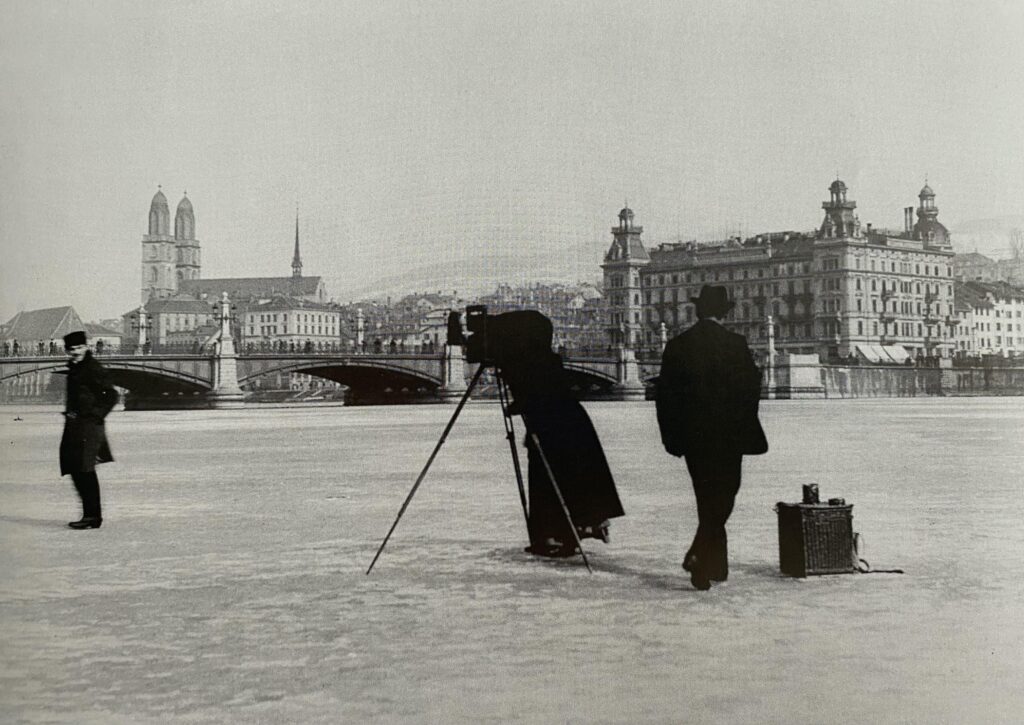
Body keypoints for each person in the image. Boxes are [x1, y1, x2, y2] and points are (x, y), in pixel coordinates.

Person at [481, 310, 624, 558]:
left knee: (548, 478)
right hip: (566, 425)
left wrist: (516, 404)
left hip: (553, 429)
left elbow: (533, 396)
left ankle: (554, 534)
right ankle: (572, 530)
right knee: (567, 478)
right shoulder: (546, 359)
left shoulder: (530, 363)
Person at [656, 285, 768, 590]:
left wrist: (671, 436)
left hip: (693, 437)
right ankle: (701, 556)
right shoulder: (735, 344)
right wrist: (745, 426)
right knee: (725, 494)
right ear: (725, 312)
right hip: (728, 436)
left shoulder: (678, 345)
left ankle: (713, 565)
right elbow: (750, 391)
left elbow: (664, 396)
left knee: (706, 497)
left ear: (699, 310)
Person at [59, 331, 118, 529]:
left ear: (86, 347)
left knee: (85, 469)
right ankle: (90, 514)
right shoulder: (75, 368)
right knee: (75, 468)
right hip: (75, 426)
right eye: (71, 349)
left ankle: (92, 516)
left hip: (89, 427)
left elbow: (111, 395)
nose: (75, 352)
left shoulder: (93, 368)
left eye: (78, 348)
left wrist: (95, 415)